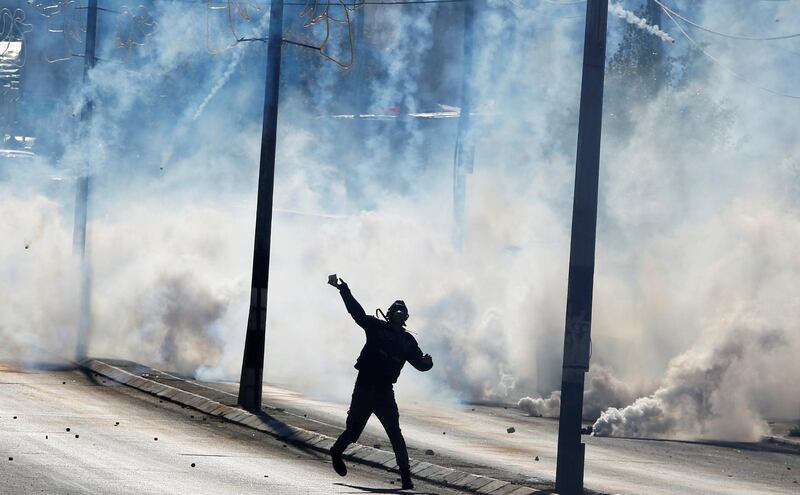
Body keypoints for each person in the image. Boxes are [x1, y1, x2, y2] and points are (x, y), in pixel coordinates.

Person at [328, 275, 433, 491]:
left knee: (395, 432)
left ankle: (406, 477)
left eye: (402, 311)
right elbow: (356, 313)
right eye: (396, 310)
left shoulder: (407, 342)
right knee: (353, 431)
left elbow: (419, 365)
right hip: (365, 387)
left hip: (385, 392)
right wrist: (343, 289)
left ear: (405, 317)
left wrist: (427, 364)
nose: (399, 313)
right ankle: (337, 451)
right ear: (389, 315)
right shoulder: (376, 328)